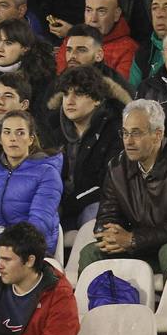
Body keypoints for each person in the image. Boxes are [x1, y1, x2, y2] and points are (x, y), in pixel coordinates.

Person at [81, 100, 167, 277]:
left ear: (157, 135)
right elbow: (106, 215)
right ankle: (95, 304)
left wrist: (133, 239)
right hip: (136, 243)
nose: (128, 141)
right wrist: (109, 234)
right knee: (91, 252)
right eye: (124, 133)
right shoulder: (117, 166)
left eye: (136, 133)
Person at [0, 111, 63, 276]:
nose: (13, 138)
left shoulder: (47, 173)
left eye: (20, 132)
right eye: (7, 132)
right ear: (0, 138)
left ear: (31, 139)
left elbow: (38, 227)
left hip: (30, 250)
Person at [48, 66, 126, 232]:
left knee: (94, 213)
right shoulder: (53, 131)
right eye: (66, 93)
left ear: (97, 99)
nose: (70, 100)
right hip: (60, 203)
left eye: (78, 94)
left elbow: (107, 185)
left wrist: (67, 205)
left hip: (93, 203)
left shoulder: (114, 131)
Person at [0, 18, 57, 134]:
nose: (0, 49)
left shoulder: (39, 80)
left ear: (25, 48)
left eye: (8, 43)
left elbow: (40, 122)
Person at [50, 0, 139, 85]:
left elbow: (120, 92)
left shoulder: (129, 48)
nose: (93, 19)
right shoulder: (72, 40)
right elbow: (58, 79)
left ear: (116, 14)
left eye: (101, 11)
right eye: (89, 10)